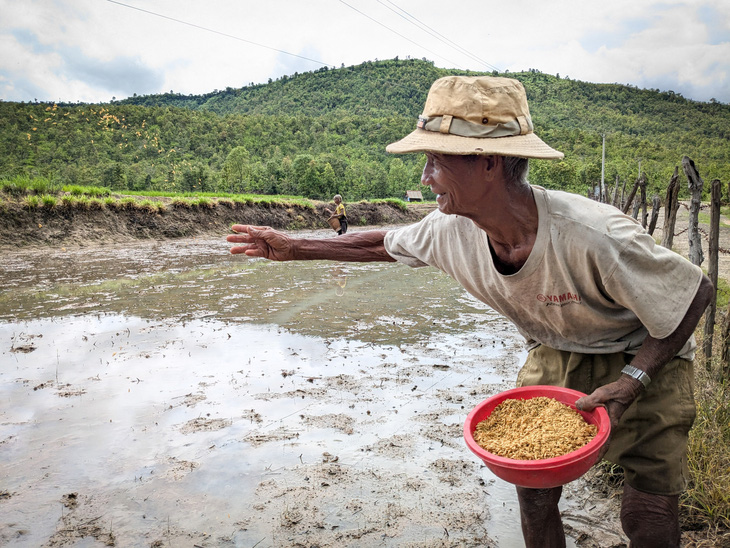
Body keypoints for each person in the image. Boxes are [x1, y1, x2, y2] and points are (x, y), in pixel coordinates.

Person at [227, 75, 714, 548]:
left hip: (646, 354)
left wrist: (632, 382)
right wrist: (293, 247)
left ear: (488, 162)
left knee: (647, 513)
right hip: (555, 350)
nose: (425, 177)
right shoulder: (448, 228)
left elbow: (694, 293)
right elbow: (383, 243)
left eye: (437, 160)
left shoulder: (593, 236)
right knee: (534, 493)